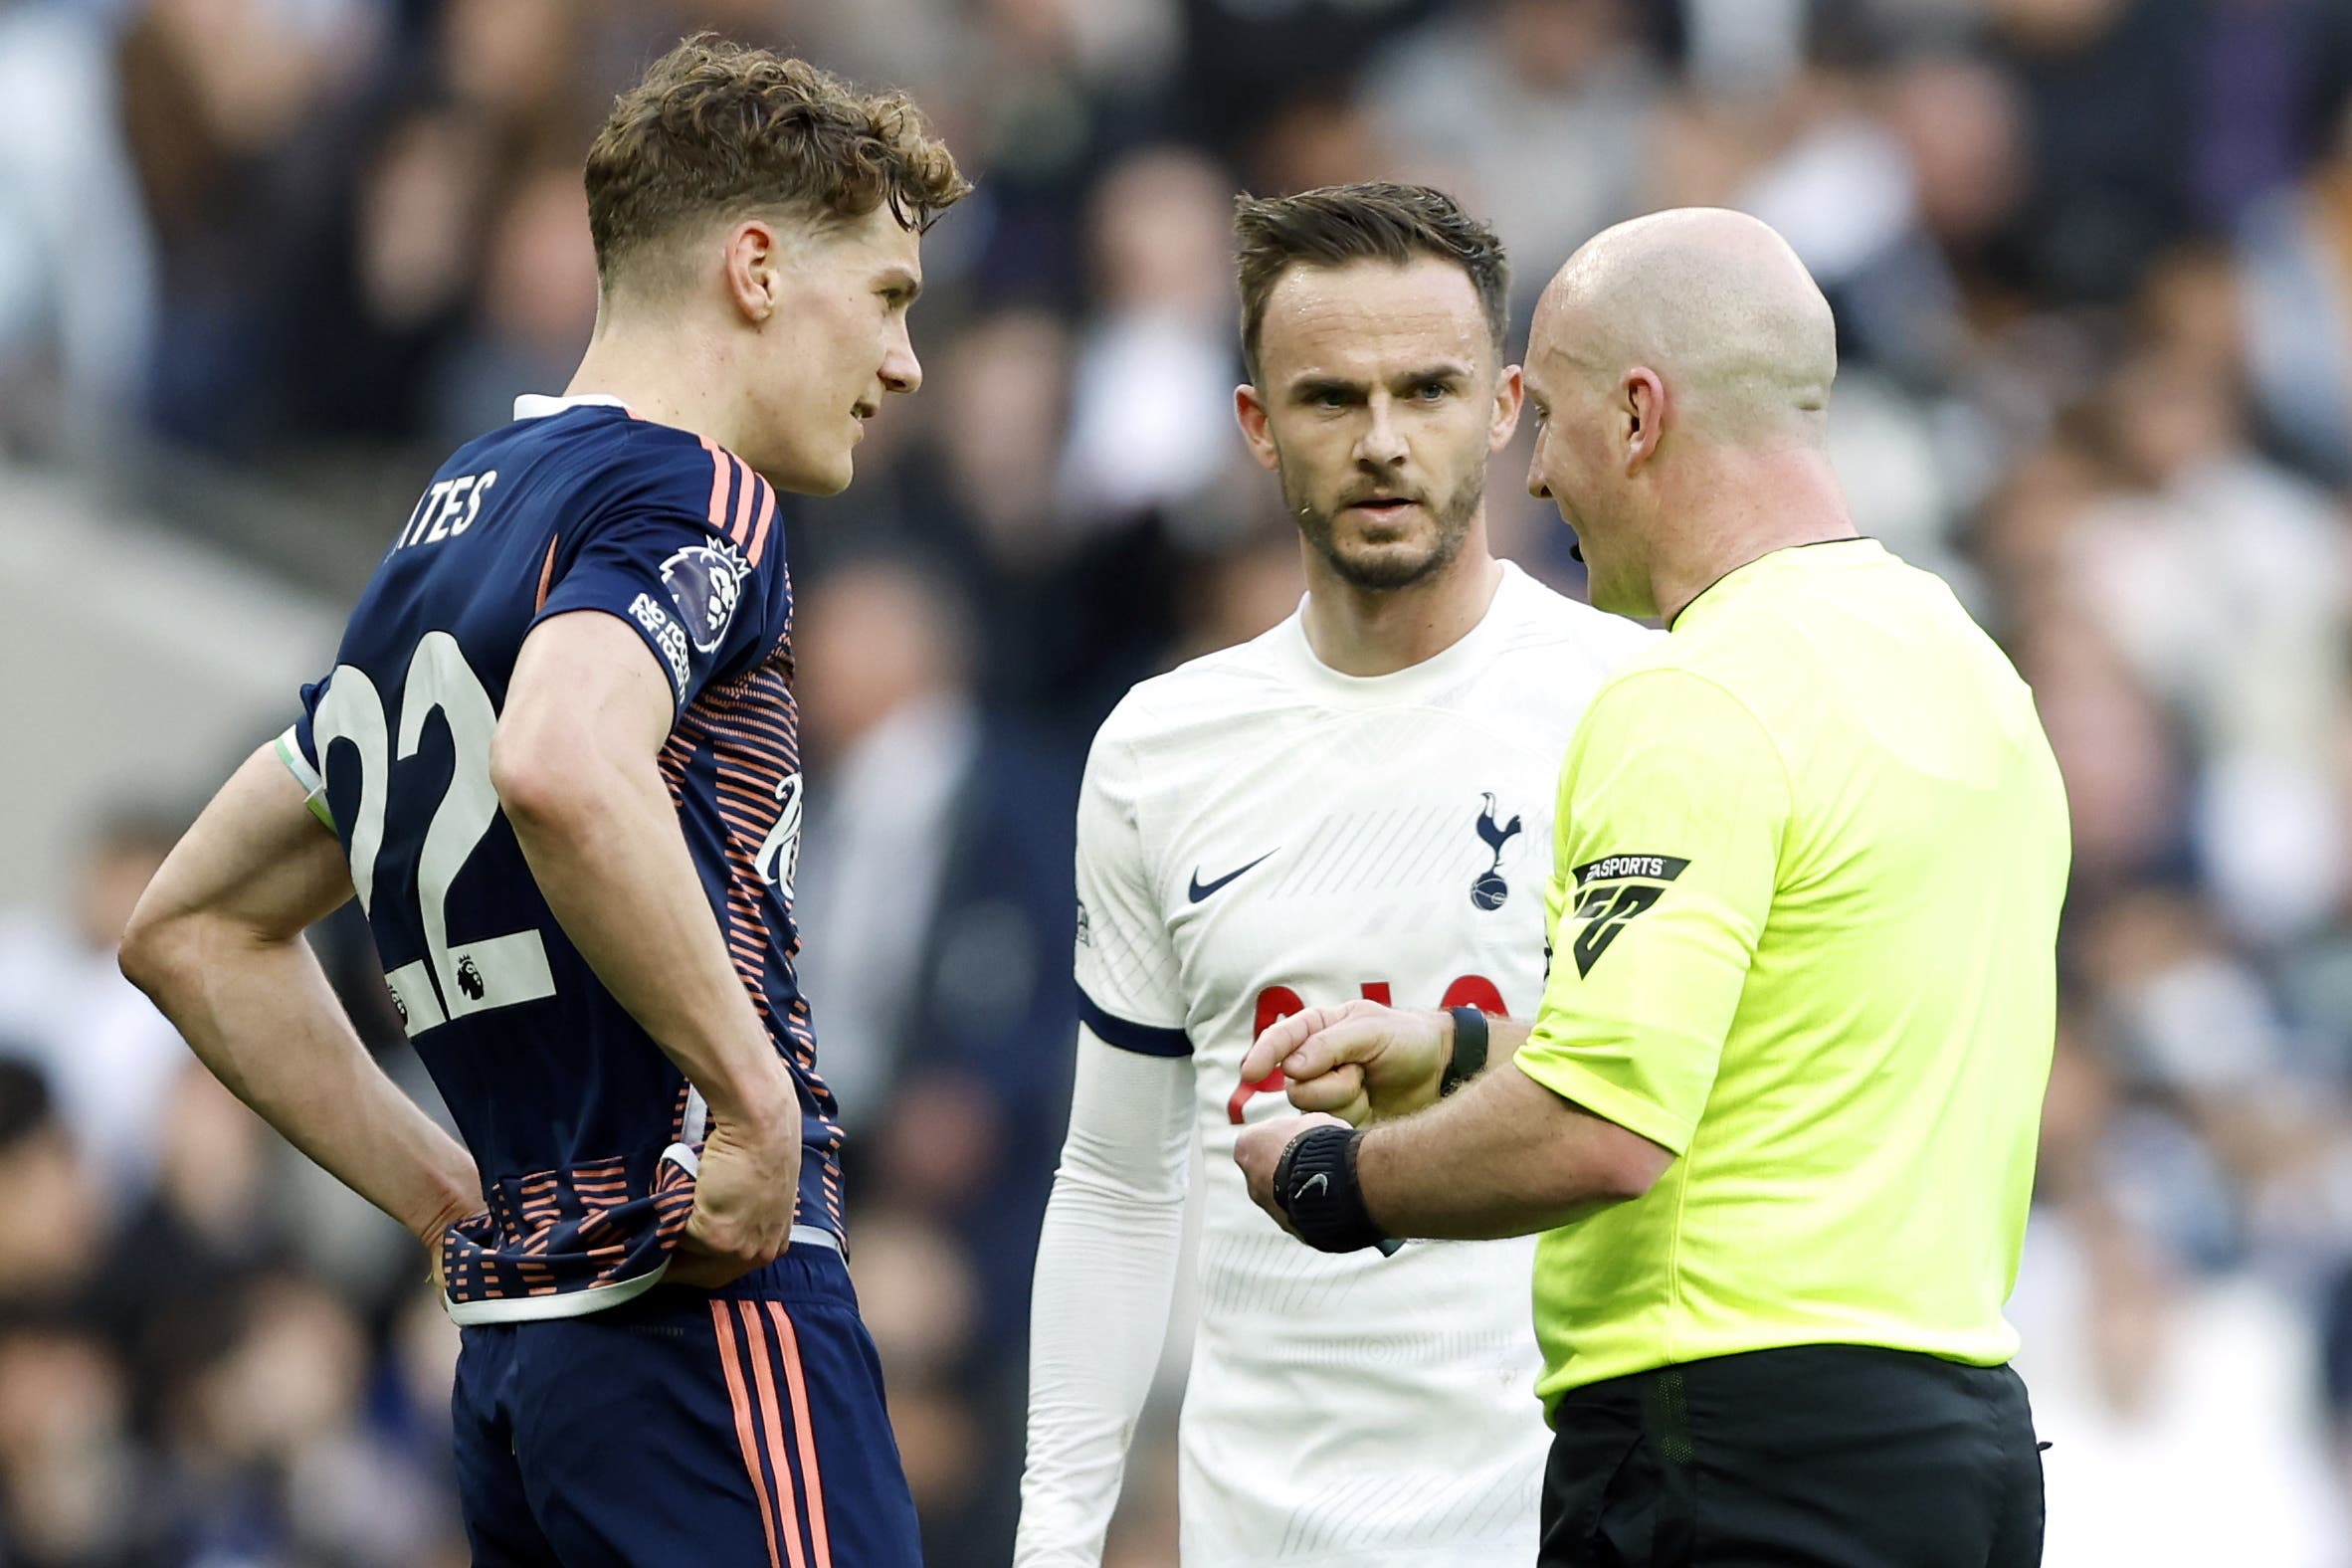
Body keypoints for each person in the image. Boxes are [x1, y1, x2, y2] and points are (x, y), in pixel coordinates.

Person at [116, 37, 967, 1567]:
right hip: (698, 1323)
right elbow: (564, 762)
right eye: (891, 298)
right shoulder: (690, 492)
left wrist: (449, 1202)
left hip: (519, 1361)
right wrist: (756, 1101)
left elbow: (192, 926)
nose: (905, 364)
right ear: (757, 268)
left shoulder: (443, 540)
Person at [1236, 208, 2066, 1567]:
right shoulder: (1974, 674)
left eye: (1549, 416)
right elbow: (1764, 1061)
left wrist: (1342, 1181)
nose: (1540, 475)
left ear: (1639, 415)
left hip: (1734, 1455)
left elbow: (1606, 1132)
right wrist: (1454, 1053)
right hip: (1955, 1454)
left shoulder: (1696, 699)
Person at [1016, 182, 1653, 1567]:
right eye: (1327, 399)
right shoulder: (1160, 751)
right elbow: (1121, 1182)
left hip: (1570, 1516)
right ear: (1255, 426)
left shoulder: (1641, 709)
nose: (1380, 442)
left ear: (1504, 406)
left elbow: (1685, 1115)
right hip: (1261, 1530)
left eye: (1425, 390)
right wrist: (1057, 1534)